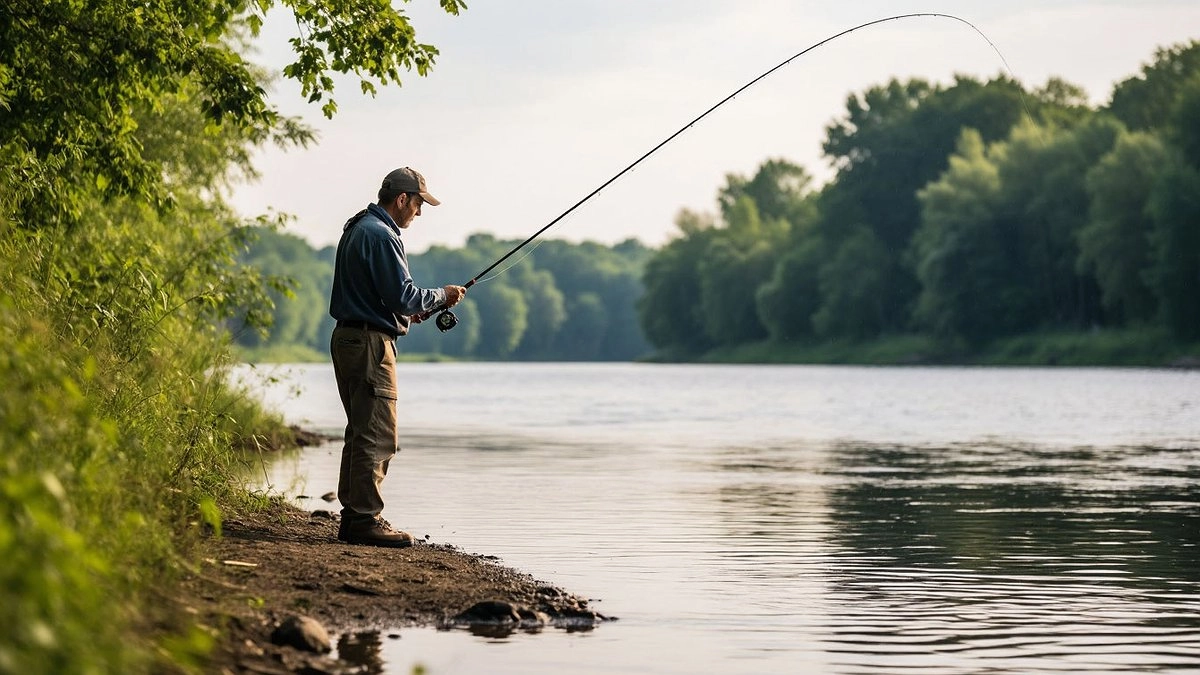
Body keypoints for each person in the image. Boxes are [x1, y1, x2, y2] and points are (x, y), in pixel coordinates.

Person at [328, 166, 466, 547]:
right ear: (402, 198)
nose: (419, 213)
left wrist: (407, 313)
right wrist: (442, 295)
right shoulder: (382, 234)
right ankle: (364, 519)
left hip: (349, 338)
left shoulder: (357, 227)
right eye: (419, 204)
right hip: (371, 346)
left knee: (359, 431)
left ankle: (354, 516)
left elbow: (385, 297)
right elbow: (403, 294)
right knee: (377, 433)